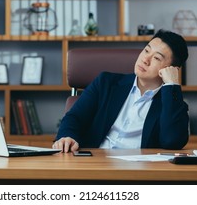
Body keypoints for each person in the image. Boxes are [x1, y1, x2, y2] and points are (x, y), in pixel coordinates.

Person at [53, 29, 189, 152]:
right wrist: (67, 137)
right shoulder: (106, 83)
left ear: (171, 69)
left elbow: (172, 142)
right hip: (96, 163)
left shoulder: (172, 103)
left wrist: (171, 84)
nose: (145, 60)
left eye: (157, 58)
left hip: (139, 172)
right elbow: (75, 117)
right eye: (146, 51)